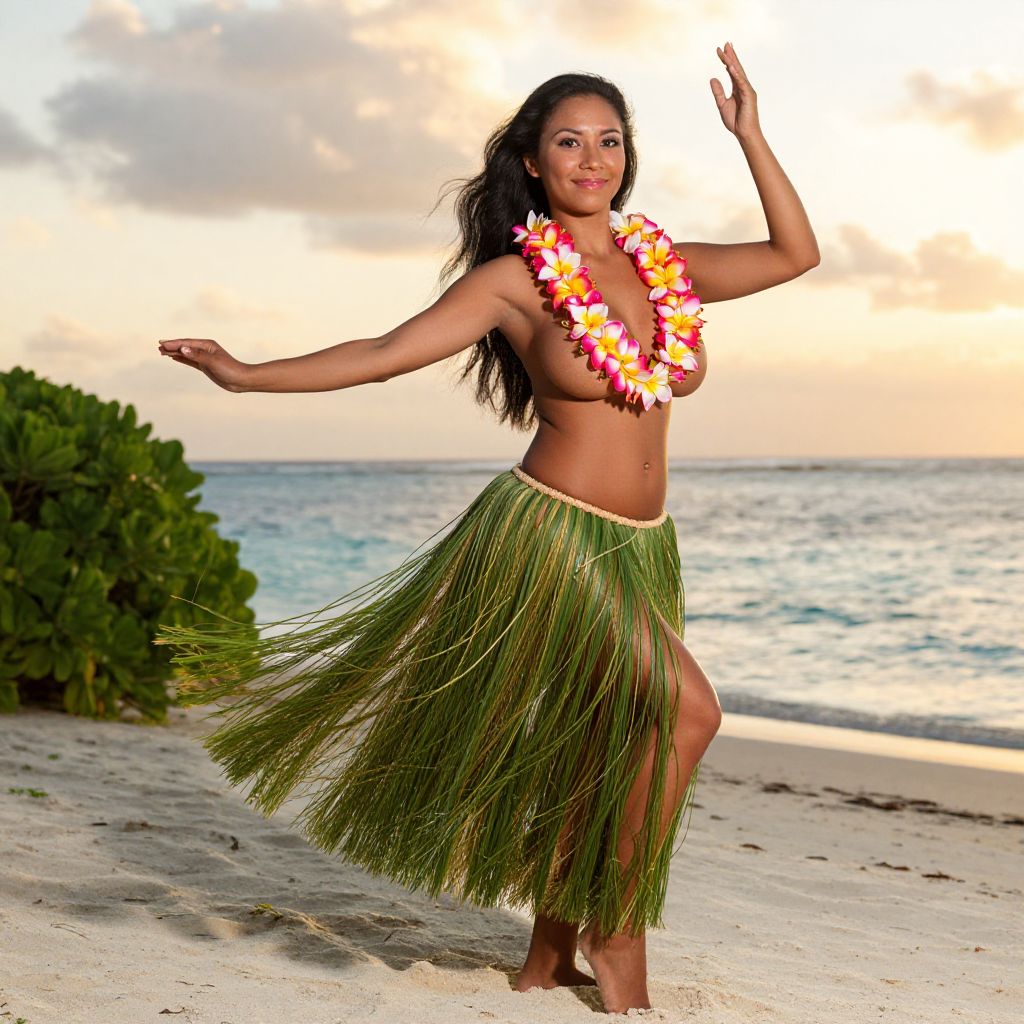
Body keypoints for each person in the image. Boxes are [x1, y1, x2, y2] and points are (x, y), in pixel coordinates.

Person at [155, 42, 819, 1015]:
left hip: (640, 543)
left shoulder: (660, 264)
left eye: (609, 140)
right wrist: (247, 372)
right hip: (546, 537)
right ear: (533, 159)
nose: (592, 159)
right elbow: (384, 352)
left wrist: (750, 137)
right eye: (568, 141)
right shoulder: (516, 279)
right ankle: (616, 922)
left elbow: (795, 254)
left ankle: (548, 954)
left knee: (600, 743)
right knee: (688, 710)